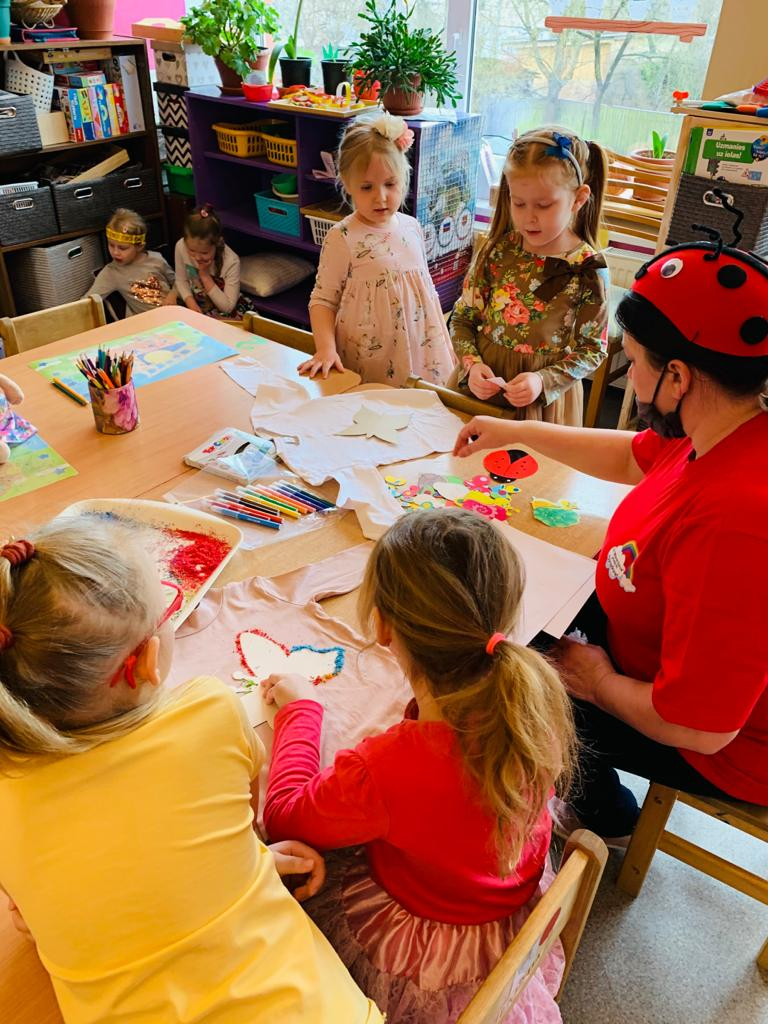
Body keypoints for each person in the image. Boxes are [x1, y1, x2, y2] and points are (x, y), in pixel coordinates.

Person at [0, 520, 383, 1024]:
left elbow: (37, 919)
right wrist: (248, 859)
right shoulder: (209, 710)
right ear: (148, 662)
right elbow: (244, 823)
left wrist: (243, 866)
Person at [453, 236, 768, 843]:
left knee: (510, 694)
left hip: (721, 744)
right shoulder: (723, 423)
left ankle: (607, 817)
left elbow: (702, 726)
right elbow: (632, 457)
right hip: (651, 645)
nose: (629, 375)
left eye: (633, 362)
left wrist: (597, 684)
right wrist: (515, 432)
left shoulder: (738, 523)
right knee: (506, 615)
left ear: (678, 376)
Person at [262, 508, 575, 1023]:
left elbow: (284, 818)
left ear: (383, 626)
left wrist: (302, 709)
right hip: (501, 904)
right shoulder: (530, 703)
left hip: (426, 944)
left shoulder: (388, 767)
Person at [450, 127, 609, 426]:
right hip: (481, 390)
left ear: (578, 199)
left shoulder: (588, 268)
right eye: (518, 203)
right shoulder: (498, 250)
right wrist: (471, 365)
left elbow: (592, 349)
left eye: (544, 205)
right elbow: (462, 319)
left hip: (542, 404)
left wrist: (542, 380)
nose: (528, 217)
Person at [299, 113, 456, 386]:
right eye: (366, 187)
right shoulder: (342, 237)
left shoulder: (412, 227)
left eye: (390, 184)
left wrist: (446, 342)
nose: (380, 197)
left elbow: (426, 292)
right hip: (370, 356)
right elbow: (323, 300)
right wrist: (325, 349)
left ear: (404, 177)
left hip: (422, 349)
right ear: (347, 184)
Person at [87, 208, 175, 315]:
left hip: (174, 313)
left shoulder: (156, 260)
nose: (115, 252)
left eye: (122, 248)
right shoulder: (111, 272)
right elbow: (87, 302)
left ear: (139, 247)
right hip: (148, 321)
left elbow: (178, 282)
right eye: (111, 245)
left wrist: (173, 295)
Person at [174, 203, 253, 319]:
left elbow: (227, 307)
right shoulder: (181, 246)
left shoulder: (231, 261)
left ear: (216, 243)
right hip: (198, 302)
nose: (197, 257)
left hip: (225, 310)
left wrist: (205, 275)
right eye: (191, 251)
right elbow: (181, 280)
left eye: (204, 253)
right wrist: (190, 302)